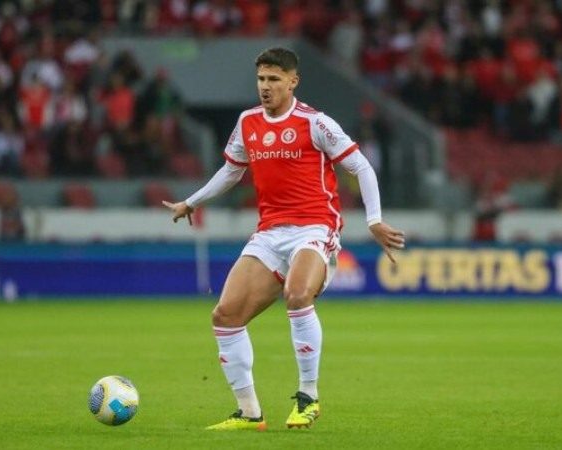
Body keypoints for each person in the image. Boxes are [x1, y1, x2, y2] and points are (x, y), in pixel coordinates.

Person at [163, 48, 405, 431]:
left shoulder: (315, 123)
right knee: (225, 316)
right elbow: (231, 171)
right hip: (270, 232)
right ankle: (249, 413)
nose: (266, 86)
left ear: (293, 81)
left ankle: (308, 397)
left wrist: (374, 220)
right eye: (261, 79)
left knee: (297, 294)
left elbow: (360, 166)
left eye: (274, 79)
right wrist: (191, 202)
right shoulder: (248, 122)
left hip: (315, 227)